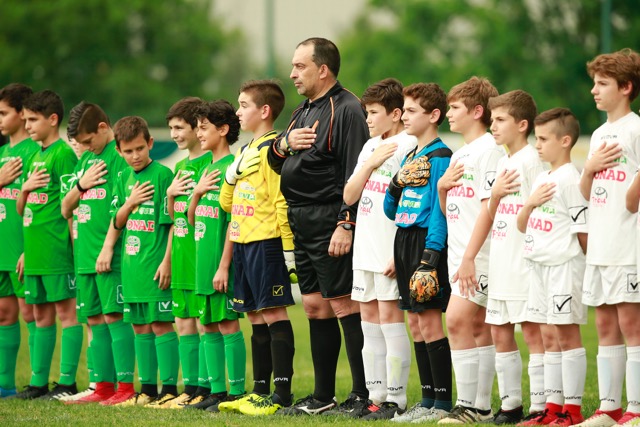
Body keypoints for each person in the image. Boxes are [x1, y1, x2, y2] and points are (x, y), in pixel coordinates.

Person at [267, 37, 369, 415]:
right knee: (313, 306)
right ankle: (323, 396)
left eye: (300, 66)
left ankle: (362, 393)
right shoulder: (301, 112)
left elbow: (354, 171)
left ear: (322, 69)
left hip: (330, 218)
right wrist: (284, 143)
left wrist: (347, 222)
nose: (293, 73)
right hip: (301, 220)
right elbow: (277, 161)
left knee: (344, 303)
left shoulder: (346, 109)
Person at [217, 81, 297, 416]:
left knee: (274, 312)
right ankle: (259, 390)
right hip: (244, 243)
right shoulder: (244, 150)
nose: (238, 111)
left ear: (264, 111)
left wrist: (288, 249)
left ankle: (281, 393)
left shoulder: (273, 149)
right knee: (253, 315)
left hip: (267, 243)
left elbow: (281, 201)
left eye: (244, 104)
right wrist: (231, 176)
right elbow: (226, 204)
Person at [341, 77, 416, 420]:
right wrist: (370, 164)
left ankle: (396, 400)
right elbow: (349, 195)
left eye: (373, 112)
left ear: (396, 113)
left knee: (389, 319)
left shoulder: (409, 144)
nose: (368, 119)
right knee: (368, 320)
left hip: (389, 248)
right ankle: (374, 396)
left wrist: (397, 253)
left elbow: (411, 204)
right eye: (366, 112)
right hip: (364, 247)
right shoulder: (371, 146)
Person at [381, 82, 454, 422]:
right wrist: (396, 182)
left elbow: (440, 213)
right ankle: (425, 400)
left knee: (429, 322)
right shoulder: (411, 155)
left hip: (427, 241)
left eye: (411, 111)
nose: (405, 116)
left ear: (434, 115)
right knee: (415, 323)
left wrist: (431, 258)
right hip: (404, 240)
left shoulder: (440, 156)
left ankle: (441, 403)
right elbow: (390, 210)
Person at [515, 108, 589, 427]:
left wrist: (589, 274)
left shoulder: (572, 180)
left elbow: (583, 231)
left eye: (543, 139)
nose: (537, 145)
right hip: (539, 268)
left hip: (563, 267)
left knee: (566, 335)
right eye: (536, 138)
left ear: (565, 140)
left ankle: (571, 411)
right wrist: (530, 203)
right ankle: (552, 407)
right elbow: (521, 225)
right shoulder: (543, 178)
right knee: (547, 336)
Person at [578, 48, 640, 427]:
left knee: (632, 325)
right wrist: (588, 168)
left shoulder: (636, 128)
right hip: (600, 245)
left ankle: (635, 409)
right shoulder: (600, 133)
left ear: (626, 87)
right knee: (604, 326)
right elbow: (588, 192)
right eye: (594, 83)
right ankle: (609, 408)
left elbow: (632, 201)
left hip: (628, 246)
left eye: (602, 84)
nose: (594, 91)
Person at [436, 77, 503, 424]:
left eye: (455, 107)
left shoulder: (490, 149)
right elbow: (454, 213)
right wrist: (442, 189)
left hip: (479, 256)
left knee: (457, 320)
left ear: (477, 111)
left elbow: (489, 209)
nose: (449, 113)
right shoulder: (461, 152)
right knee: (477, 327)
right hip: (461, 255)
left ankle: (468, 406)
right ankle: (482, 407)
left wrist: (470, 258)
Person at [98, 116, 178, 407]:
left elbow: (171, 224)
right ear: (119, 150)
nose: (135, 156)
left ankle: (168, 387)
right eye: (128, 151)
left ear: (150, 144)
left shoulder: (163, 175)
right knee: (140, 327)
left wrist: (167, 262)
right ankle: (147, 389)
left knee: (160, 325)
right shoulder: (122, 178)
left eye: (140, 149)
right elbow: (117, 221)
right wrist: (130, 203)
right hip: (131, 269)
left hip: (156, 266)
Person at [59, 101, 135, 405]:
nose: (87, 148)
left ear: (104, 129)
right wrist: (81, 184)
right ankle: (102, 388)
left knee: (114, 318)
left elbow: (124, 210)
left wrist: (107, 248)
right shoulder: (85, 162)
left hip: (110, 258)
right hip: (84, 258)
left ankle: (126, 388)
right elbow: (66, 208)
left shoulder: (120, 158)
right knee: (94, 320)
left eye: (89, 141)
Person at [483, 90, 547, 424]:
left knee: (533, 331)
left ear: (522, 124)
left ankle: (540, 406)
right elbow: (496, 214)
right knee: (499, 331)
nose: (493, 126)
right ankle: (510, 405)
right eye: (492, 119)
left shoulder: (532, 162)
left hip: (523, 263)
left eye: (501, 120)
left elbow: (539, 213)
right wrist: (494, 195)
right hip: (501, 261)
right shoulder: (504, 160)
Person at [15, 90, 82, 400]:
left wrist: (75, 250)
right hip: (36, 251)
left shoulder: (63, 154)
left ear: (52, 119)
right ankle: (38, 383)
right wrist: (25, 189)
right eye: (25, 119)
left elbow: (70, 208)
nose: (26, 125)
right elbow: (25, 209)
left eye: (32, 119)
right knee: (40, 317)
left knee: (67, 315)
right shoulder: (35, 154)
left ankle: (67, 383)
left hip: (57, 251)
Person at [183, 100, 246, 411]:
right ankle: (216, 391)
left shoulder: (232, 168)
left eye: (204, 127)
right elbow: (193, 219)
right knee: (206, 324)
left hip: (221, 263)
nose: (199, 132)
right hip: (201, 261)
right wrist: (196, 193)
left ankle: (236, 391)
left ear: (223, 130)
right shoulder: (206, 167)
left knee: (227, 324)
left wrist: (224, 266)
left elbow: (235, 222)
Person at [163, 97, 213, 408]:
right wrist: (167, 260)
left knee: (205, 322)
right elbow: (174, 218)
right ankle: (191, 386)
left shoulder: (210, 164)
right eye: (170, 128)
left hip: (201, 258)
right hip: (180, 257)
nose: (175, 134)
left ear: (197, 128)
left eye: (179, 128)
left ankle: (208, 387)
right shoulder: (179, 167)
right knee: (183, 322)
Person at [0, 83, 39, 398]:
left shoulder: (34, 153)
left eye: (3, 113)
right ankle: (5, 384)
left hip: (23, 249)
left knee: (32, 313)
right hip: (2, 248)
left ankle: (38, 383)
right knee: (4, 314)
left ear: (22, 113)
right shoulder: (2, 153)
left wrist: (30, 248)